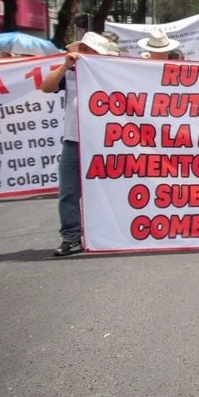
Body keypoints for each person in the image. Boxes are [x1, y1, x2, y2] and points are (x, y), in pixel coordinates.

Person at [41, 32, 118, 256]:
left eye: (89, 49)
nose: (84, 53)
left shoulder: (113, 71)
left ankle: (110, 234)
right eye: (82, 48)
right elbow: (46, 87)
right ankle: (71, 237)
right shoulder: (69, 73)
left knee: (109, 191)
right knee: (69, 192)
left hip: (106, 143)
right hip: (74, 141)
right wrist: (64, 66)